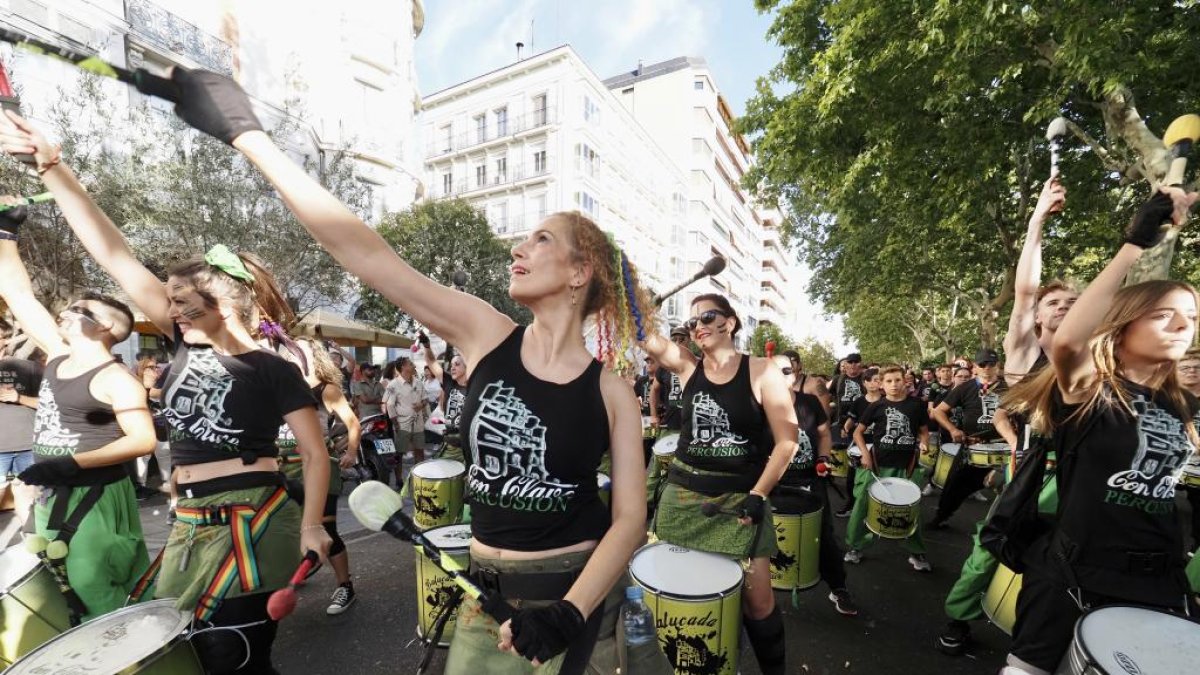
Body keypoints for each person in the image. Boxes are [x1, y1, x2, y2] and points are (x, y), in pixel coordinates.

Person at [154, 67, 668, 674]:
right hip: (488, 598)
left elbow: (630, 517)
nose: (518, 249)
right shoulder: (485, 333)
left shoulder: (611, 390)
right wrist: (247, 136)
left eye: (541, 240)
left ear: (580, 272)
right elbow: (364, 251)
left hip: (573, 600)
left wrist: (569, 614)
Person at [0, 111, 333, 673]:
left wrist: (311, 524)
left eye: (183, 302)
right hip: (190, 523)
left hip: (254, 519)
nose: (171, 312)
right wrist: (55, 169)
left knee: (235, 655)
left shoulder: (272, 369)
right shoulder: (185, 344)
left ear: (223, 306)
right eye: (171, 301)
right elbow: (114, 254)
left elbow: (314, 452)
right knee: (184, 649)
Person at [998, 186, 1199, 674]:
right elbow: (1067, 341)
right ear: (1122, 326)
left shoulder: (1186, 405)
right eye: (1162, 315)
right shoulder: (1090, 392)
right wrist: (1136, 241)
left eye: (1191, 319)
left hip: (1159, 584)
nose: (1181, 327)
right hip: (1073, 575)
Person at [939, 179, 1080, 655]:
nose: (1064, 308)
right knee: (988, 554)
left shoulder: (1095, 362)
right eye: (1054, 304)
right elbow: (1023, 293)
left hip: (1081, 483)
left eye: (1073, 304)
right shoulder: (1025, 355)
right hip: (1031, 477)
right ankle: (958, 618)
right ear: (1038, 319)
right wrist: (1037, 221)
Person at [0, 199, 155, 619]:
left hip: (96, 494)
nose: (66, 313)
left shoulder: (116, 378)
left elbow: (144, 439)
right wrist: (7, 235)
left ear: (107, 328)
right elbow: (16, 293)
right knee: (59, 581)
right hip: (55, 490)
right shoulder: (56, 353)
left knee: (94, 582)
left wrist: (70, 464)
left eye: (80, 311)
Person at [645, 293, 798, 675]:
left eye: (707, 316)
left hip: (739, 504)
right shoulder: (687, 367)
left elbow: (787, 443)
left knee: (759, 604)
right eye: (692, 321)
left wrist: (758, 495)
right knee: (677, 588)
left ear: (729, 323)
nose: (697, 325)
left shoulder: (763, 372)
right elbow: (640, 333)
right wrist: (643, 306)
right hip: (681, 499)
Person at [276, 337, 362, 616]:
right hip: (283, 469)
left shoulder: (327, 390)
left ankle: (345, 586)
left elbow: (352, 423)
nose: (287, 356)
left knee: (325, 527)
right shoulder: (277, 387)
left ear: (311, 357)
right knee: (286, 527)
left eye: (292, 352)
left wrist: (350, 451)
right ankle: (302, 565)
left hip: (321, 466)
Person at [770, 353, 857, 616]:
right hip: (772, 483)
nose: (781, 376)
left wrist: (822, 457)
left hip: (809, 480)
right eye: (774, 371)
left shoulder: (809, 403)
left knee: (824, 536)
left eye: (786, 371)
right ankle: (754, 594)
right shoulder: (757, 405)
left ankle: (838, 587)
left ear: (795, 373)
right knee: (761, 536)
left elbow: (822, 433)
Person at [842, 365, 931, 571]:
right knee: (863, 506)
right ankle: (856, 546)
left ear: (905, 381)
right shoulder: (876, 406)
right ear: (881, 384)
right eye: (889, 381)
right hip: (877, 466)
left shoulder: (916, 405)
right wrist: (865, 454)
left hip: (907, 467)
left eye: (897, 380)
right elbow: (857, 433)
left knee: (911, 509)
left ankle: (916, 551)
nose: (894, 385)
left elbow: (924, 431)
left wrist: (925, 443)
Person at [928, 349, 1006, 529]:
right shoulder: (965, 387)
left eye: (991, 364)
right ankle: (941, 517)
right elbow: (938, 411)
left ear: (998, 366)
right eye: (982, 364)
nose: (987, 368)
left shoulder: (1009, 387)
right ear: (975, 367)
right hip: (972, 448)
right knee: (953, 487)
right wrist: (953, 429)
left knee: (1013, 490)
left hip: (1003, 449)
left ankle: (1005, 529)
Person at [0, 321, 42, 548]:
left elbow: (49, 404)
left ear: (5, 339)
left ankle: (34, 546)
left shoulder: (29, 368)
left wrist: (19, 398)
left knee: (26, 494)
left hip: (28, 443)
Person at [837, 367, 882, 517]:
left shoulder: (886, 401)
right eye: (875, 380)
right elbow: (852, 419)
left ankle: (874, 508)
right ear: (866, 383)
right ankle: (851, 505)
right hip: (859, 443)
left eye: (879, 380)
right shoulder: (859, 401)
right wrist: (846, 427)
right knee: (853, 478)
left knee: (877, 478)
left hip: (879, 446)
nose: (878, 383)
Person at [421, 334, 468, 463]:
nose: (452, 367)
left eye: (457, 364)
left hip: (470, 445)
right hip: (451, 444)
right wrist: (426, 346)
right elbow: (431, 362)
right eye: (451, 365)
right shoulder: (449, 383)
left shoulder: (475, 386)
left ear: (467, 366)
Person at [385, 357, 427, 473]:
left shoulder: (418, 382)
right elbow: (389, 405)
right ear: (403, 367)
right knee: (399, 453)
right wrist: (396, 425)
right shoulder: (392, 385)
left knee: (419, 451)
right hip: (402, 425)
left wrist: (421, 405)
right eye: (411, 364)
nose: (414, 365)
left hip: (418, 424)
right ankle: (399, 480)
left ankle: (420, 477)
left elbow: (426, 399)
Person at [783, 349, 833, 416]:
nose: (789, 367)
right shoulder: (778, 387)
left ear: (800, 365)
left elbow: (826, 414)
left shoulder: (815, 383)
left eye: (792, 362)